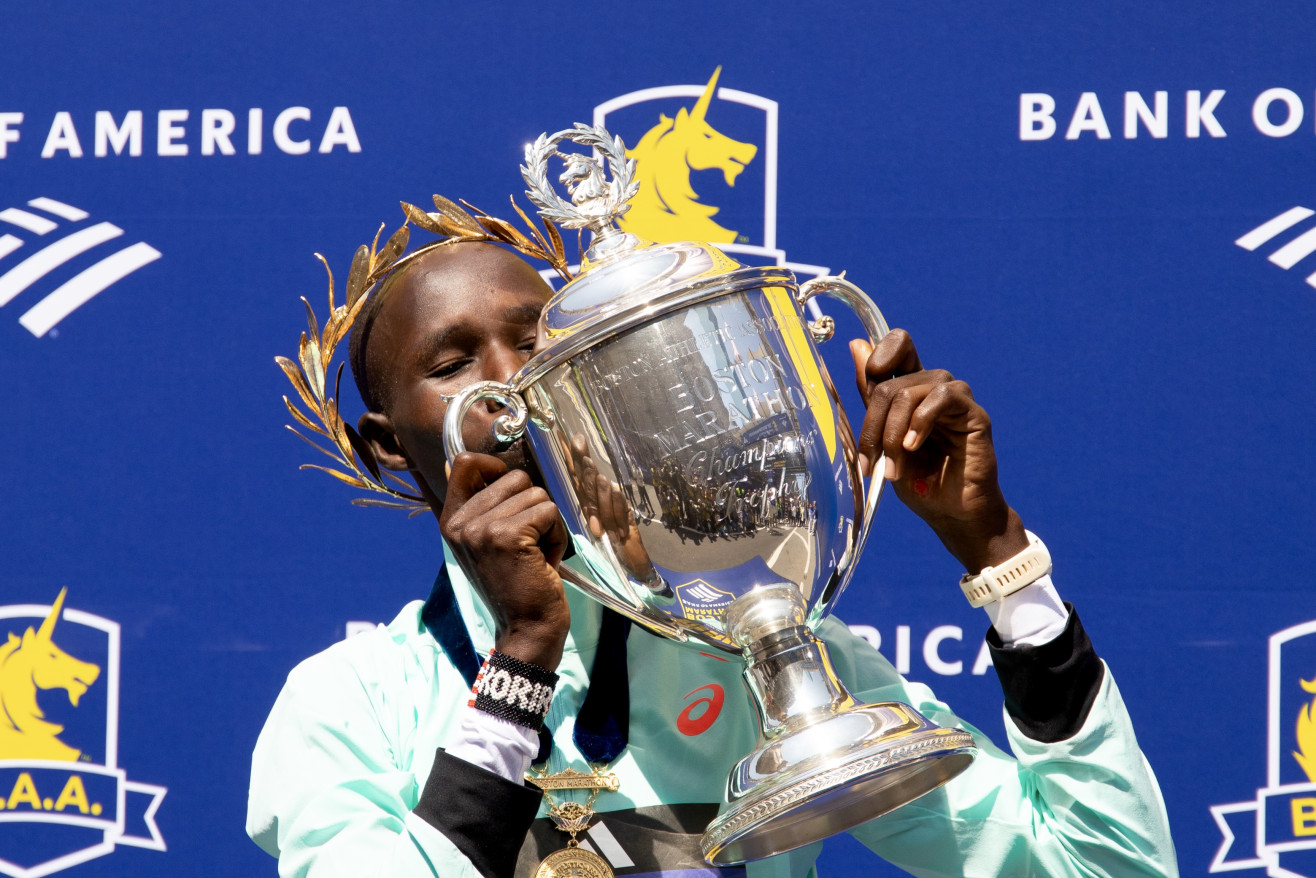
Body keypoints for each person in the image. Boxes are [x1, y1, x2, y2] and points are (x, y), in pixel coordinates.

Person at [247, 240, 1179, 877]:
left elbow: (1098, 865)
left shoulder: (751, 641)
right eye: (453, 364)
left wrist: (1002, 562)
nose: (510, 386)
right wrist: (522, 658)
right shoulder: (345, 705)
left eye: (537, 345)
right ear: (384, 444)